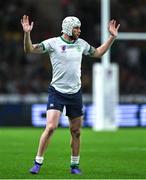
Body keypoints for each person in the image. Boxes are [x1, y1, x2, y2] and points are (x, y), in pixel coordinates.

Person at [21, 15, 120, 175]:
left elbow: (98, 53)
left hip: (75, 93)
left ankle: (74, 166)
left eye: (79, 28)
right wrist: (27, 34)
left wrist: (112, 38)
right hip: (57, 92)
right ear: (68, 28)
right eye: (76, 28)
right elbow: (30, 49)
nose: (79, 31)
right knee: (51, 127)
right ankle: (37, 162)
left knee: (76, 131)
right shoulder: (53, 43)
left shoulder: (81, 44)